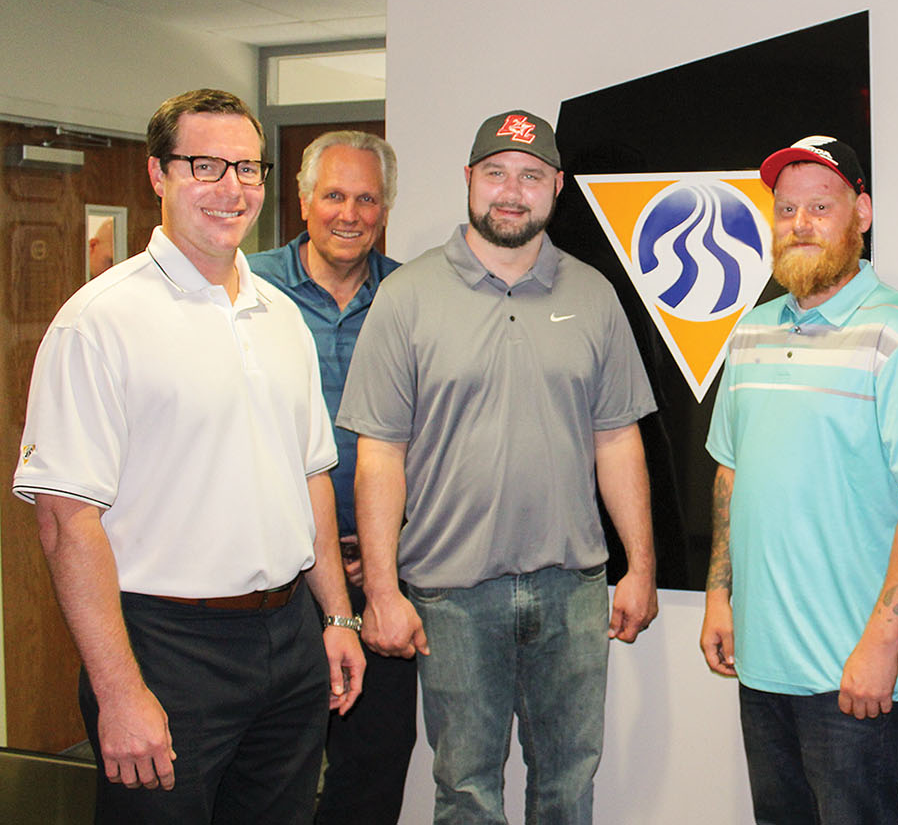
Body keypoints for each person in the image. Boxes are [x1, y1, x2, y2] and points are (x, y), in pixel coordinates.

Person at [12, 88, 364, 824]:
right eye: (206, 165)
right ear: (157, 175)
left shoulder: (281, 318)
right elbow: (66, 521)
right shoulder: (100, 323)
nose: (230, 188)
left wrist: (337, 618)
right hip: (167, 649)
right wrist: (118, 691)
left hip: (288, 639)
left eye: (246, 167)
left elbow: (311, 478)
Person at [337, 109, 659, 824]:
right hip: (451, 595)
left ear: (556, 186)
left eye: (531, 176)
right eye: (496, 174)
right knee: (465, 791)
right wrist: (383, 592)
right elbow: (379, 456)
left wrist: (637, 565)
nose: (511, 191)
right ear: (469, 180)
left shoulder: (593, 295)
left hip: (572, 590)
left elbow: (617, 440)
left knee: (568, 784)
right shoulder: (407, 297)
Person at [699, 135, 898, 824]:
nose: (800, 225)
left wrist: (882, 646)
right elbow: (730, 470)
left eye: (821, 206)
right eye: (786, 210)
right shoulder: (751, 333)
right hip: (763, 663)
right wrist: (719, 595)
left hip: (853, 675)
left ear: (863, 212)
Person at [248, 130, 414, 825]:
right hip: (275, 579)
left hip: (383, 571)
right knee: (268, 768)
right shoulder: (245, 287)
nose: (350, 214)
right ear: (303, 198)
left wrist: (379, 557)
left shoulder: (411, 296)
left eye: (367, 198)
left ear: (386, 207)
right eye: (335, 195)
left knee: (373, 767)